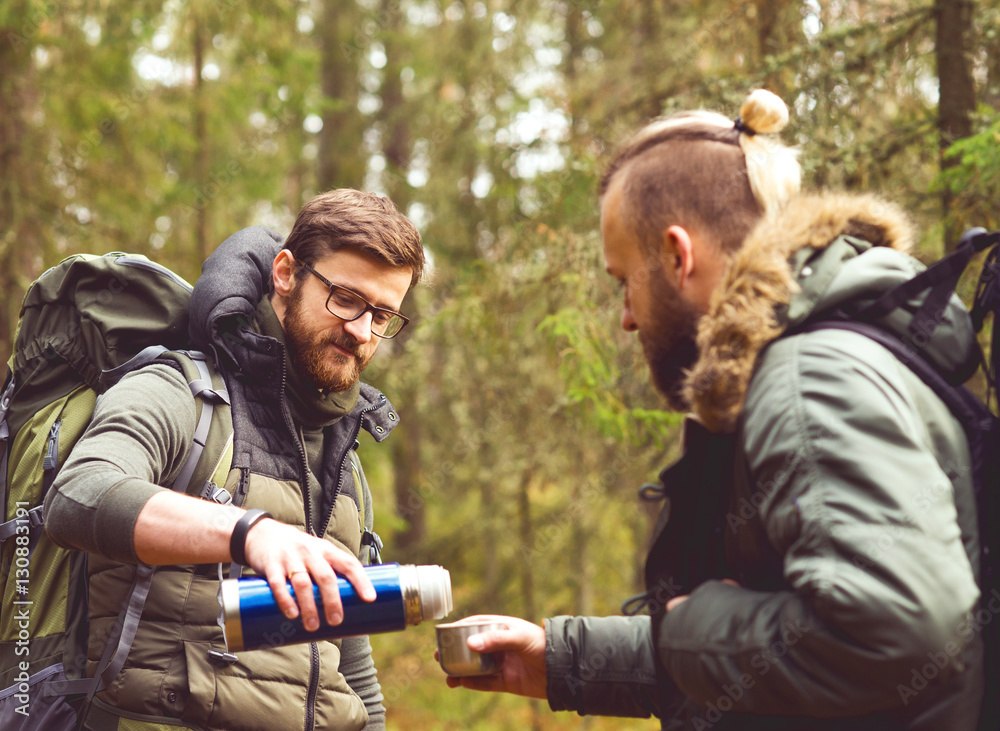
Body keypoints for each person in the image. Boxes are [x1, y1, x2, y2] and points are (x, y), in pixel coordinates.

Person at [446, 90, 984, 729]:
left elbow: (898, 628)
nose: (626, 318)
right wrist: (568, 661)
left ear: (679, 256)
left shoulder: (809, 377)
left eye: (624, 281)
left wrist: (695, 627)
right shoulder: (813, 359)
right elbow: (791, 655)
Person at [44, 189, 425, 730]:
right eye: (346, 298)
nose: (362, 331)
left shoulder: (345, 457)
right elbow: (78, 495)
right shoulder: (181, 392)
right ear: (286, 274)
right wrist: (248, 533)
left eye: (382, 314)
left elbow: (350, 661)